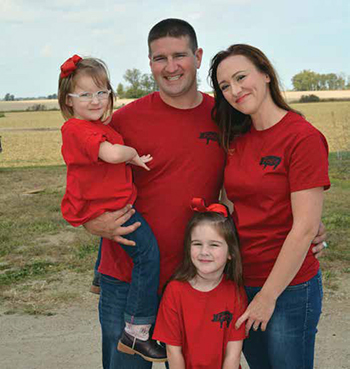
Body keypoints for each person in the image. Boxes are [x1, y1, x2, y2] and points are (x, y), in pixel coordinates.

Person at [83, 19, 328, 369]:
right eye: (160, 58)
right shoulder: (125, 120)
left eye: (180, 55)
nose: (171, 67)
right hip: (128, 277)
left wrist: (310, 229)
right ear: (149, 62)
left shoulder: (224, 118)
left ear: (197, 57)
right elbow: (83, 178)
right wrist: (92, 223)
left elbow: (264, 187)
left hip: (196, 277)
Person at [209, 44, 330, 369]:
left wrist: (267, 296)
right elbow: (230, 205)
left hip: (289, 288)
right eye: (224, 86)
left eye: (240, 77)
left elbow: (305, 227)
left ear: (265, 74)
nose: (234, 90)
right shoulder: (236, 139)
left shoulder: (302, 138)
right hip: (241, 281)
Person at [58, 55, 166, 362]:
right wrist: (131, 153)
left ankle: (97, 275)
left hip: (110, 202)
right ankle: (137, 329)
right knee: (148, 255)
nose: (96, 100)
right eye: (86, 94)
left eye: (101, 92)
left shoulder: (94, 125)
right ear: (69, 99)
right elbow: (110, 154)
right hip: (111, 209)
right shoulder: (79, 130)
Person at [153, 198, 247, 369]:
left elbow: (233, 354)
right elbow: (173, 352)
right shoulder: (175, 291)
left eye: (214, 245)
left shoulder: (235, 292)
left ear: (230, 253)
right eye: (197, 244)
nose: (204, 252)